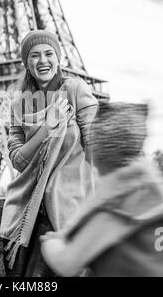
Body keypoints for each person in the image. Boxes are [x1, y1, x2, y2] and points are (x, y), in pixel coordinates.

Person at [0, 30, 99, 277]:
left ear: (58, 58)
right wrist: (47, 128)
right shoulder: (18, 105)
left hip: (69, 200)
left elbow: (95, 148)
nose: (42, 61)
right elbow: (18, 161)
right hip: (29, 203)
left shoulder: (76, 89)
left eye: (48, 53)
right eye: (34, 55)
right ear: (26, 63)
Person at [40, 102, 163, 277]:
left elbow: (66, 262)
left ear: (102, 154)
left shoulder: (117, 205)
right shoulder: (150, 187)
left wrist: (51, 243)